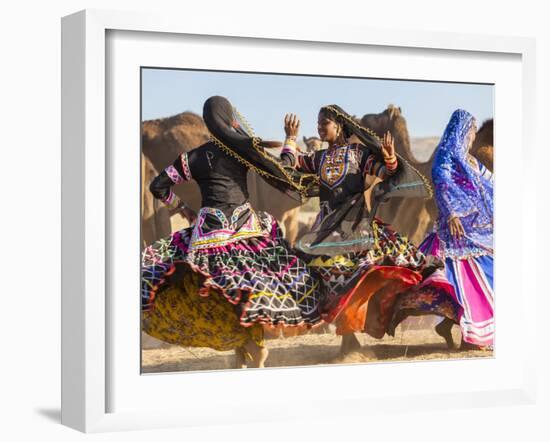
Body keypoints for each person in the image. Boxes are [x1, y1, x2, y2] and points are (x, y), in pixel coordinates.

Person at [141, 96, 322, 367]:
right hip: (246, 232)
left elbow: (159, 186)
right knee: (252, 289)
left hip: (206, 237)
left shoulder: (194, 157)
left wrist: (184, 209)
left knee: (219, 291)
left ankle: (240, 352)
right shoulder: (244, 152)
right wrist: (291, 139)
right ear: (231, 120)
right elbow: (283, 171)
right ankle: (254, 353)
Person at [279, 105, 434, 353]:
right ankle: (347, 338)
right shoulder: (318, 159)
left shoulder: (359, 155)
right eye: (318, 123)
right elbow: (288, 164)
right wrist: (290, 137)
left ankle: (350, 338)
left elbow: (386, 173)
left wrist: (391, 156)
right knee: (327, 282)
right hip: (326, 233)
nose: (319, 127)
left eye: (324, 122)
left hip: (357, 229)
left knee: (355, 280)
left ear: (339, 125)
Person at [391, 109, 494, 350]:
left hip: (479, 233)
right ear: (461, 131)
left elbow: (489, 183)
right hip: (456, 234)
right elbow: (441, 182)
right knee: (465, 283)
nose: (473, 136)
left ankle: (453, 328)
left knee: (482, 281)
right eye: (470, 131)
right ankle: (469, 339)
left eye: (474, 132)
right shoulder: (446, 157)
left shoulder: (472, 161)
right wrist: (452, 213)